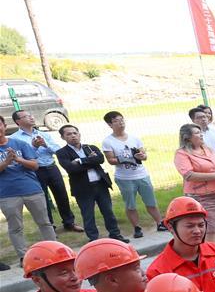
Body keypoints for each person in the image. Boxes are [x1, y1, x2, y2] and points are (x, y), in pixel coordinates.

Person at [10, 111, 81, 233]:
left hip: (51, 168)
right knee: (42, 201)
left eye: (31, 115)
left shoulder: (43, 134)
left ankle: (69, 222)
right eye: (27, 116)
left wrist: (45, 144)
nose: (32, 117)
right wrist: (34, 147)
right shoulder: (14, 139)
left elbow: (58, 151)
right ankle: (50, 227)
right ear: (18, 121)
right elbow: (19, 158)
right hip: (34, 171)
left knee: (62, 196)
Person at [56, 125, 128, 242]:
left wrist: (80, 161)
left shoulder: (90, 148)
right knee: (88, 215)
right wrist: (91, 161)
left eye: (75, 133)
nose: (73, 136)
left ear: (79, 134)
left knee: (108, 212)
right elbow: (71, 168)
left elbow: (100, 160)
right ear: (63, 137)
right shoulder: (61, 153)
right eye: (69, 134)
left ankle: (115, 234)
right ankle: (94, 239)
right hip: (83, 188)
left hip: (100, 185)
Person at [0, 115, 57, 263]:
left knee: (44, 222)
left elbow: (35, 165)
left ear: (4, 126)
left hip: (32, 189)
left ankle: (54, 251)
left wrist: (18, 159)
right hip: (7, 194)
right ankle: (24, 257)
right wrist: (6, 162)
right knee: (15, 227)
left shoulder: (19, 143)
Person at [101, 111, 165, 237]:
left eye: (122, 120)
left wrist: (141, 155)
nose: (121, 123)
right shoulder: (108, 142)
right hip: (125, 178)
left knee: (151, 201)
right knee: (130, 204)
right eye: (116, 121)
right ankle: (137, 227)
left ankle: (160, 223)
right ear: (110, 124)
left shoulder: (134, 138)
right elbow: (110, 160)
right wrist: (125, 158)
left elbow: (144, 156)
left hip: (141, 175)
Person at [173, 123, 215, 245]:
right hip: (202, 197)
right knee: (208, 229)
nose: (201, 135)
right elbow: (189, 175)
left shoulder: (206, 149)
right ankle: (209, 257)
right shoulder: (182, 153)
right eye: (196, 133)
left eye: (200, 132)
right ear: (187, 137)